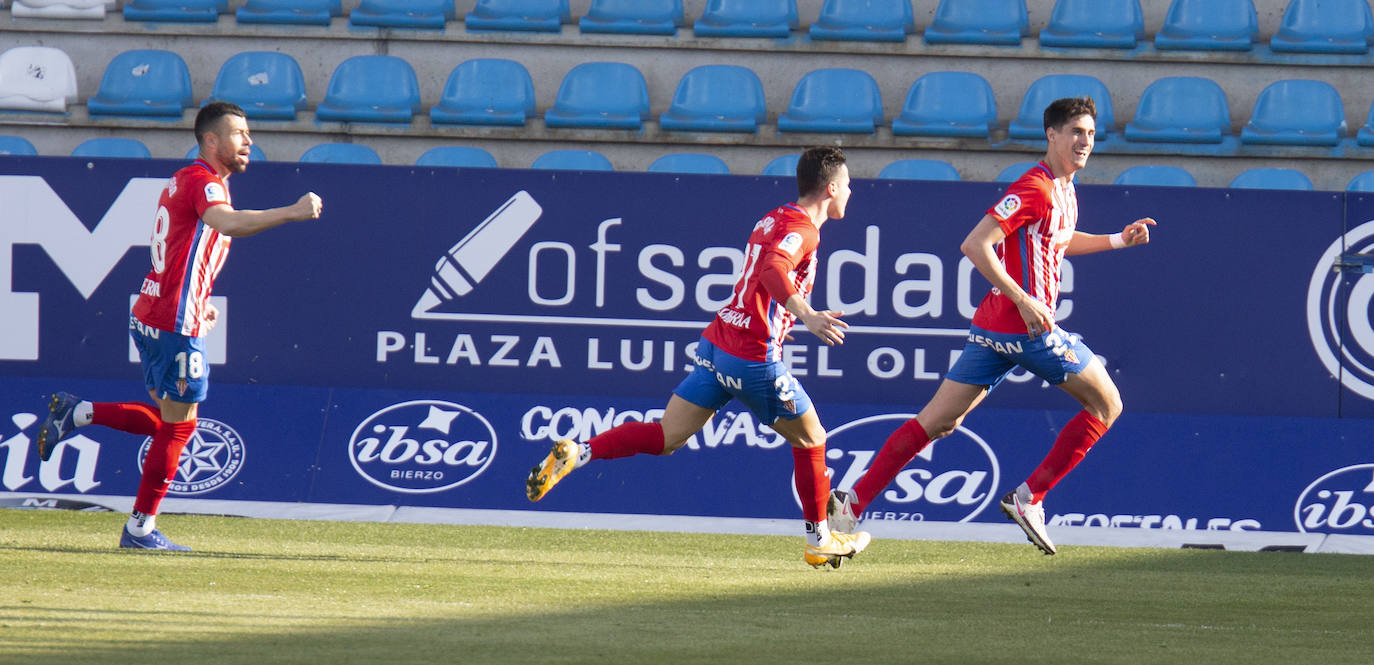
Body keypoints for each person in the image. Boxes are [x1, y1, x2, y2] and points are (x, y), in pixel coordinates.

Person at [829, 97, 1155, 555]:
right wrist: (1024, 300)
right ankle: (1030, 497)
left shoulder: (1064, 189)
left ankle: (852, 501)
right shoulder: (1036, 187)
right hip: (1027, 329)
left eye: (1091, 134)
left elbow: (1058, 241)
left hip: (993, 330)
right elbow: (975, 244)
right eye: (1076, 132)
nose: (1085, 141)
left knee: (938, 421)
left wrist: (1119, 239)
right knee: (1107, 406)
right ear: (1052, 136)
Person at [525, 146, 871, 568]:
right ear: (831, 188)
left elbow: (767, 267)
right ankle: (820, 540)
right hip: (751, 356)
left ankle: (579, 453)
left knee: (667, 436)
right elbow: (773, 269)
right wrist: (808, 315)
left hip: (717, 345)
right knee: (812, 438)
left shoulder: (773, 216)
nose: (851, 192)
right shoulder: (805, 229)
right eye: (849, 185)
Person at [35, 101, 323, 551]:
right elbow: (225, 222)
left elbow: (185, 251)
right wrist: (290, 211)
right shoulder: (203, 182)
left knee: (172, 421)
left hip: (154, 311)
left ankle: (77, 412)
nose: (249, 141)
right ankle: (140, 529)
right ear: (211, 140)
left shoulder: (189, 181)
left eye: (248, 133)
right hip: (172, 320)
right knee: (179, 427)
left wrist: (201, 301)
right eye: (238, 133)